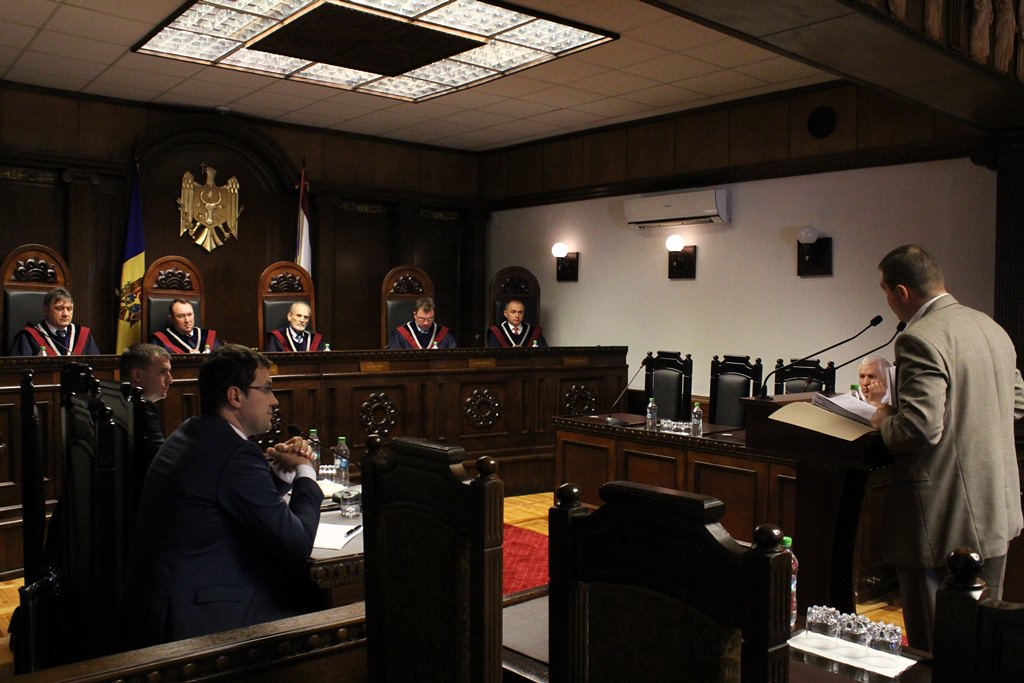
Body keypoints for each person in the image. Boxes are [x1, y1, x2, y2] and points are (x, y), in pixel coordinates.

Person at [869, 245, 1024, 651]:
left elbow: (919, 429)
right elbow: (1017, 405)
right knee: (982, 641)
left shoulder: (920, 337)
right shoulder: (991, 328)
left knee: (935, 646)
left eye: (885, 291)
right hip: (996, 507)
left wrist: (885, 421)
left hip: (941, 515)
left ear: (901, 292)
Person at [118, 344, 323, 648]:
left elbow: (230, 499)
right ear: (235, 396)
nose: (275, 400)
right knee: (321, 610)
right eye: (267, 389)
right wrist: (306, 472)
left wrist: (283, 472)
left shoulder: (194, 431)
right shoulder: (235, 453)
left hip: (160, 604)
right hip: (195, 617)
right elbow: (297, 545)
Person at [119, 343, 174, 483]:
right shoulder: (141, 407)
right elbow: (163, 462)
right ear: (137, 375)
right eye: (162, 372)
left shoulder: (117, 398)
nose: (170, 380)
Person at [9, 286, 100, 356]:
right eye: (59, 308)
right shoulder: (29, 337)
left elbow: (97, 368)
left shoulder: (83, 335)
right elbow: (19, 371)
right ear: (46, 310)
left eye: (69, 309)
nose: (65, 314)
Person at [149, 299, 219, 354]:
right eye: (181, 316)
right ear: (172, 319)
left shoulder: (208, 337)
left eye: (189, 315)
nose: (187, 320)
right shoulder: (159, 341)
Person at [389, 297, 457, 349]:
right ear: (415, 315)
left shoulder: (444, 334)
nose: (426, 323)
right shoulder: (400, 335)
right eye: (422, 318)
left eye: (430, 318)